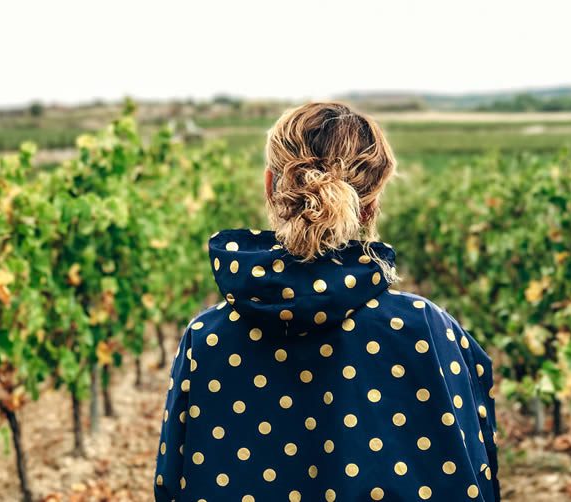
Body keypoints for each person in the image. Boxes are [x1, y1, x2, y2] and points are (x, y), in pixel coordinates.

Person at [153, 102, 499, 501]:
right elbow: (476, 474)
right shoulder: (429, 330)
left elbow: (172, 484)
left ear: (270, 186)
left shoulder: (207, 339)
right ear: (371, 203)